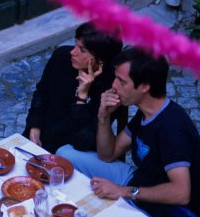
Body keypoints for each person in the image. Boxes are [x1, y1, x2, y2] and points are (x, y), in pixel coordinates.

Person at [80, 48, 200, 217]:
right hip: (141, 181)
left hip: (173, 212)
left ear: (144, 86)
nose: (113, 86)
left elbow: (181, 193)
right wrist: (103, 117)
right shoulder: (145, 114)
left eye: (121, 81)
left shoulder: (172, 129)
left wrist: (121, 191)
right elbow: (108, 154)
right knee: (67, 154)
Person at [23, 22, 124, 155]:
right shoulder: (61, 57)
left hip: (74, 151)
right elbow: (41, 94)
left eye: (82, 50)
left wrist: (82, 95)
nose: (72, 52)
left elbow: (83, 141)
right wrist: (34, 127)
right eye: (75, 44)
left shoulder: (112, 86)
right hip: (42, 134)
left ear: (100, 59)